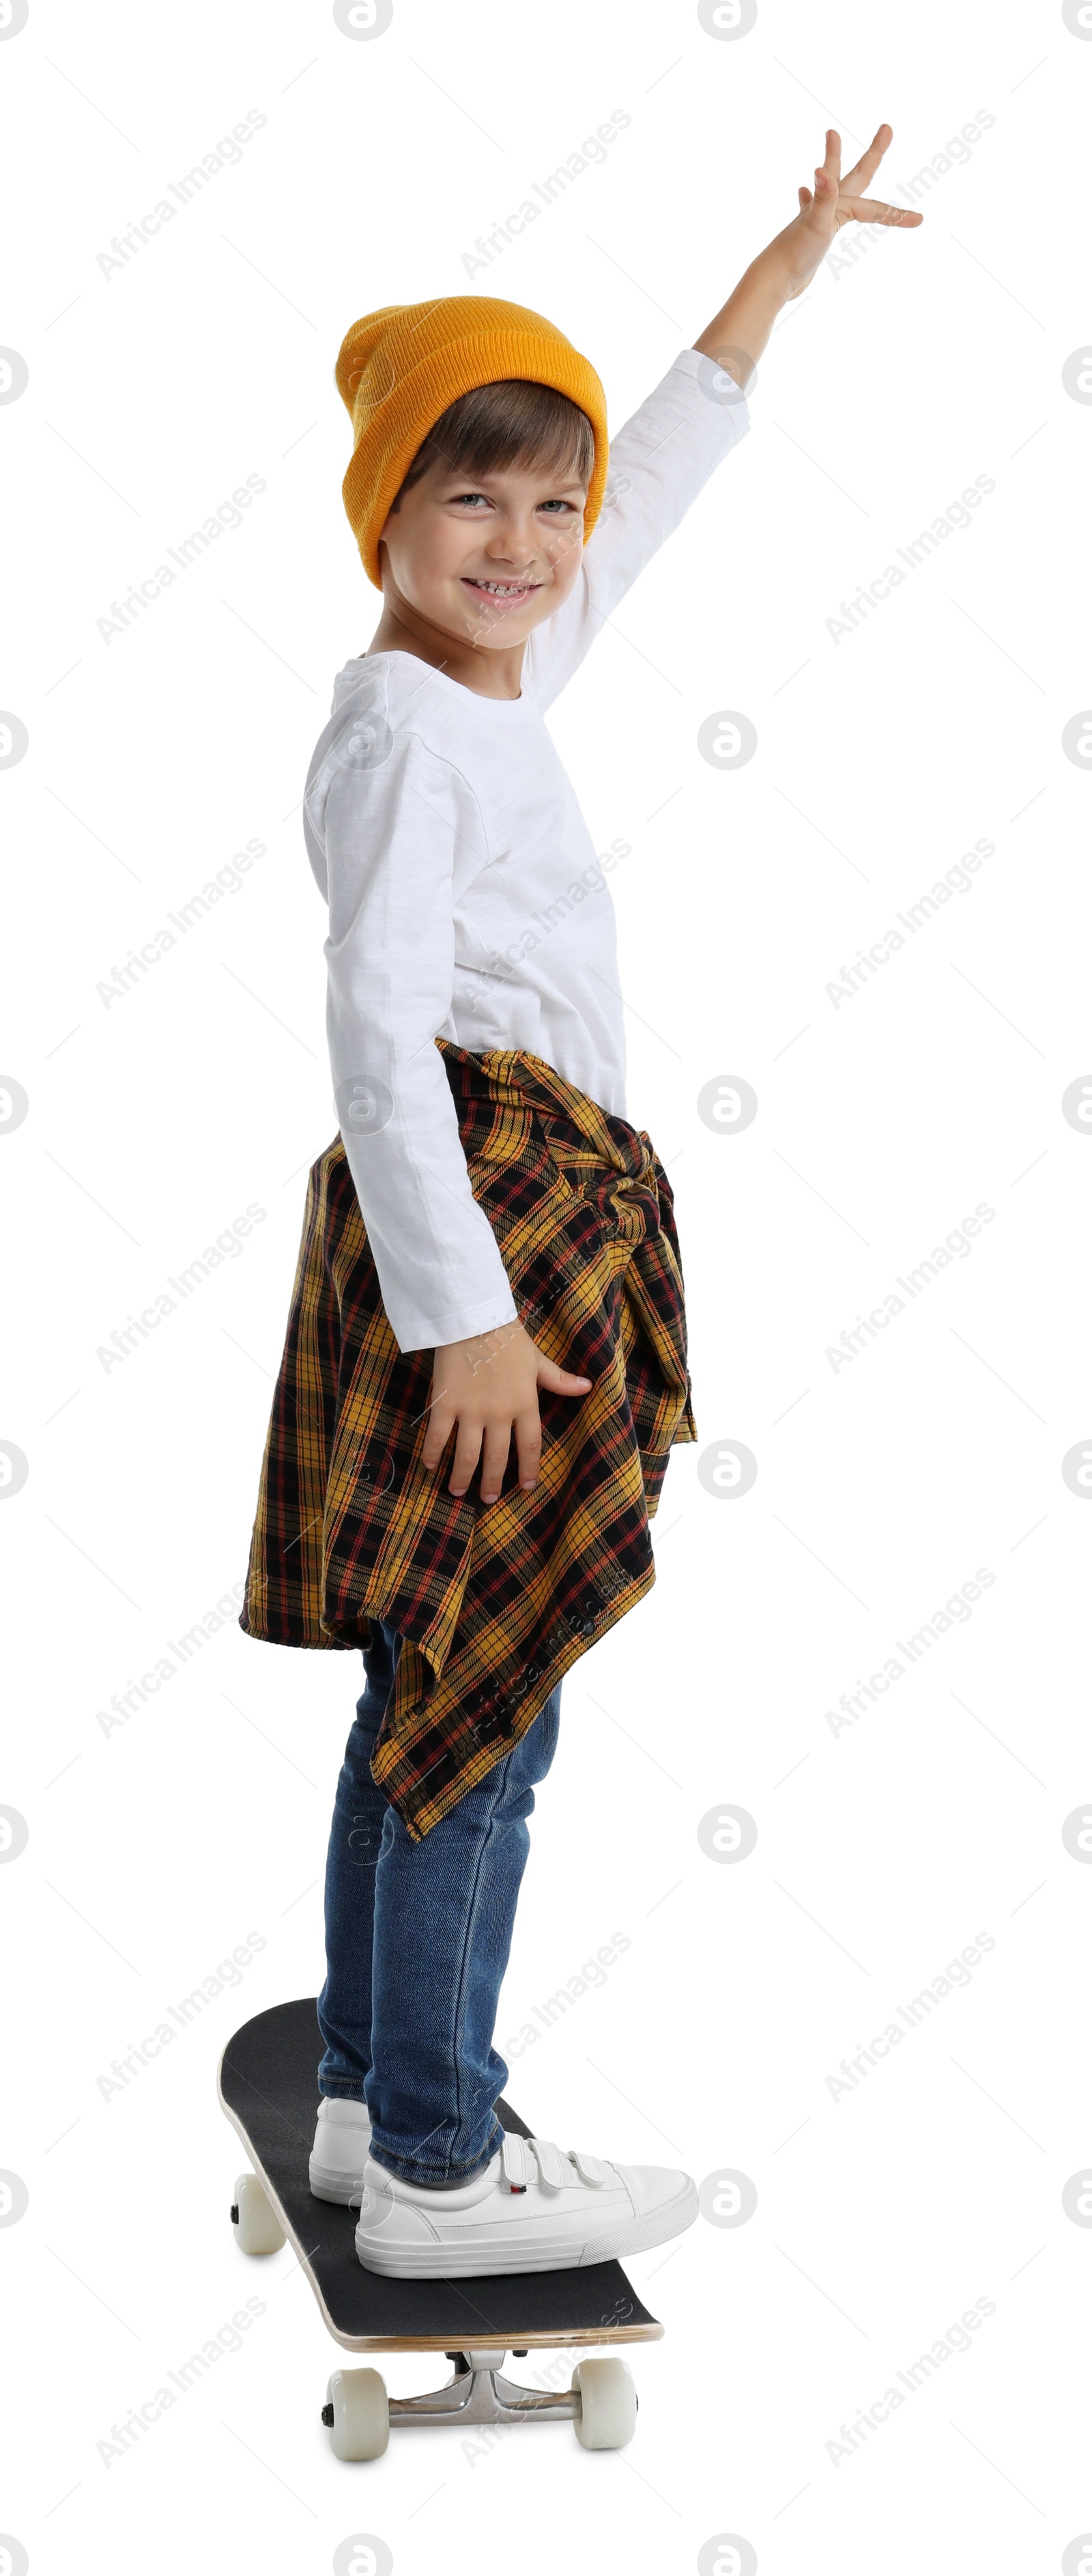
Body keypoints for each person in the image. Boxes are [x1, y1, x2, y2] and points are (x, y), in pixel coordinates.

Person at [239, 127, 920, 2279]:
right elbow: (372, 1034)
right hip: (485, 1236)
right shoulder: (403, 737)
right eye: (478, 499)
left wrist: (776, 277)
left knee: (436, 1673)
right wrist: (462, 1317)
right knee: (485, 1706)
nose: (531, 542)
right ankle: (442, 2158)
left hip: (523, 1212)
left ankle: (368, 2098)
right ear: (391, 518)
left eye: (552, 505)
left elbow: (665, 470)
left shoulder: (490, 669)